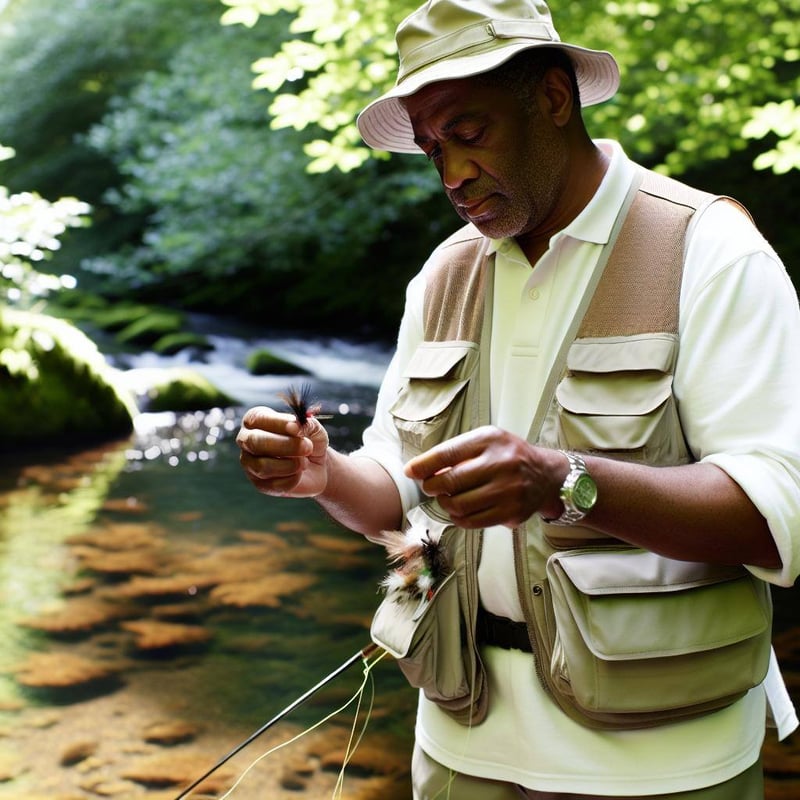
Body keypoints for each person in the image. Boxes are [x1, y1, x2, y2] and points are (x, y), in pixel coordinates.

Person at [236, 0, 800, 797]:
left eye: (470, 134)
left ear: (553, 98)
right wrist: (322, 476)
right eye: (432, 150)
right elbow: (399, 496)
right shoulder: (442, 275)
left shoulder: (710, 250)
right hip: (460, 752)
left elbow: (781, 518)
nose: (452, 175)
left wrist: (561, 482)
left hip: (666, 767)